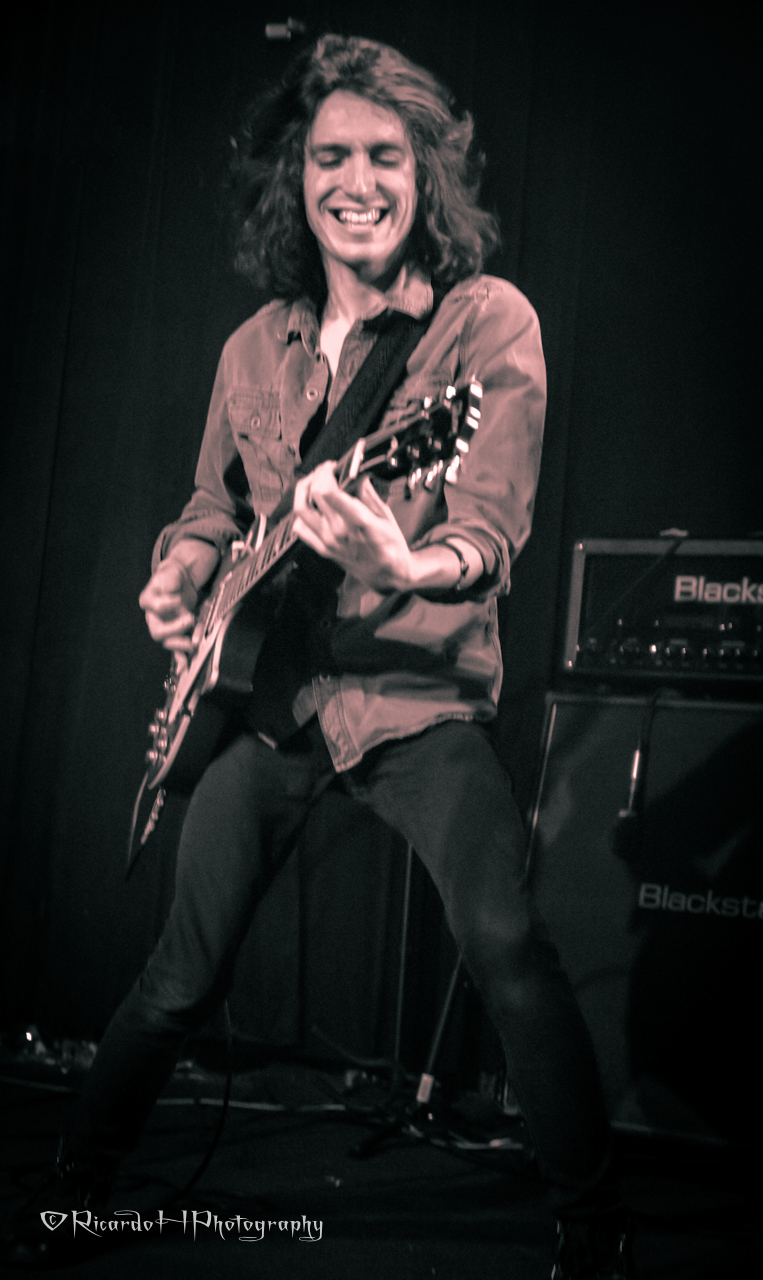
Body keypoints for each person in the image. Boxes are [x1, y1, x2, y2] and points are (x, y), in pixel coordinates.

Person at [4, 35, 632, 1279]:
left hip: (416, 698)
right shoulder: (255, 345)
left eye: (385, 155)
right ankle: (77, 1185)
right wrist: (183, 570)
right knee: (179, 976)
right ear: (295, 178)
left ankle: (593, 1220)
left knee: (506, 942)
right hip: (273, 697)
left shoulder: (483, 323)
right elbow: (212, 505)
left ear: (425, 172)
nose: (358, 181)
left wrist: (404, 562)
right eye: (331, 156)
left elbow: (490, 530)